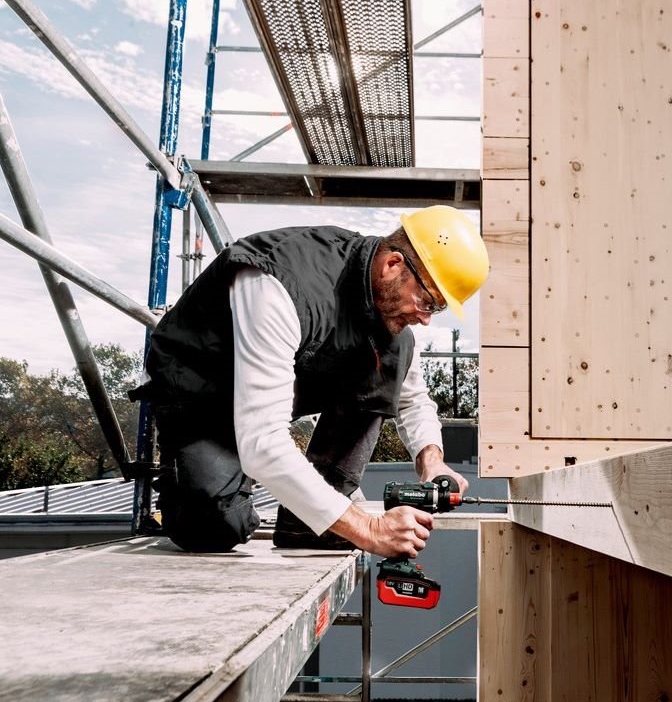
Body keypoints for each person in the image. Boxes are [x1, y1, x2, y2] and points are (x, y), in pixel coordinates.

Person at [131, 205, 489, 559]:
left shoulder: (388, 314)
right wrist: (367, 529)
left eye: (436, 309)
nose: (426, 319)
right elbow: (262, 441)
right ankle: (191, 479)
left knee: (393, 356)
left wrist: (432, 461)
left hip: (271, 390)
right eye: (426, 300)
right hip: (201, 394)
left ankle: (305, 523)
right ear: (393, 265)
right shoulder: (280, 283)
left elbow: (412, 398)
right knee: (214, 528)